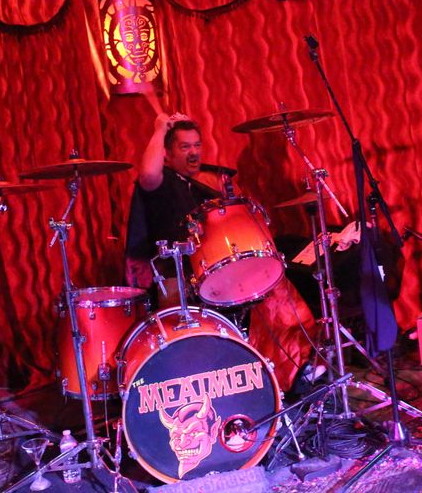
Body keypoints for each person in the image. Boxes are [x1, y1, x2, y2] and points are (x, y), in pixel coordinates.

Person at [125, 112, 317, 391]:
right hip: (178, 276)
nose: (194, 152)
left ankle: (294, 367)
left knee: (273, 285)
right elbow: (148, 174)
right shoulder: (161, 182)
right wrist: (159, 128)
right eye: (184, 147)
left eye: (197, 145)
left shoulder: (206, 183)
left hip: (214, 267)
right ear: (167, 153)